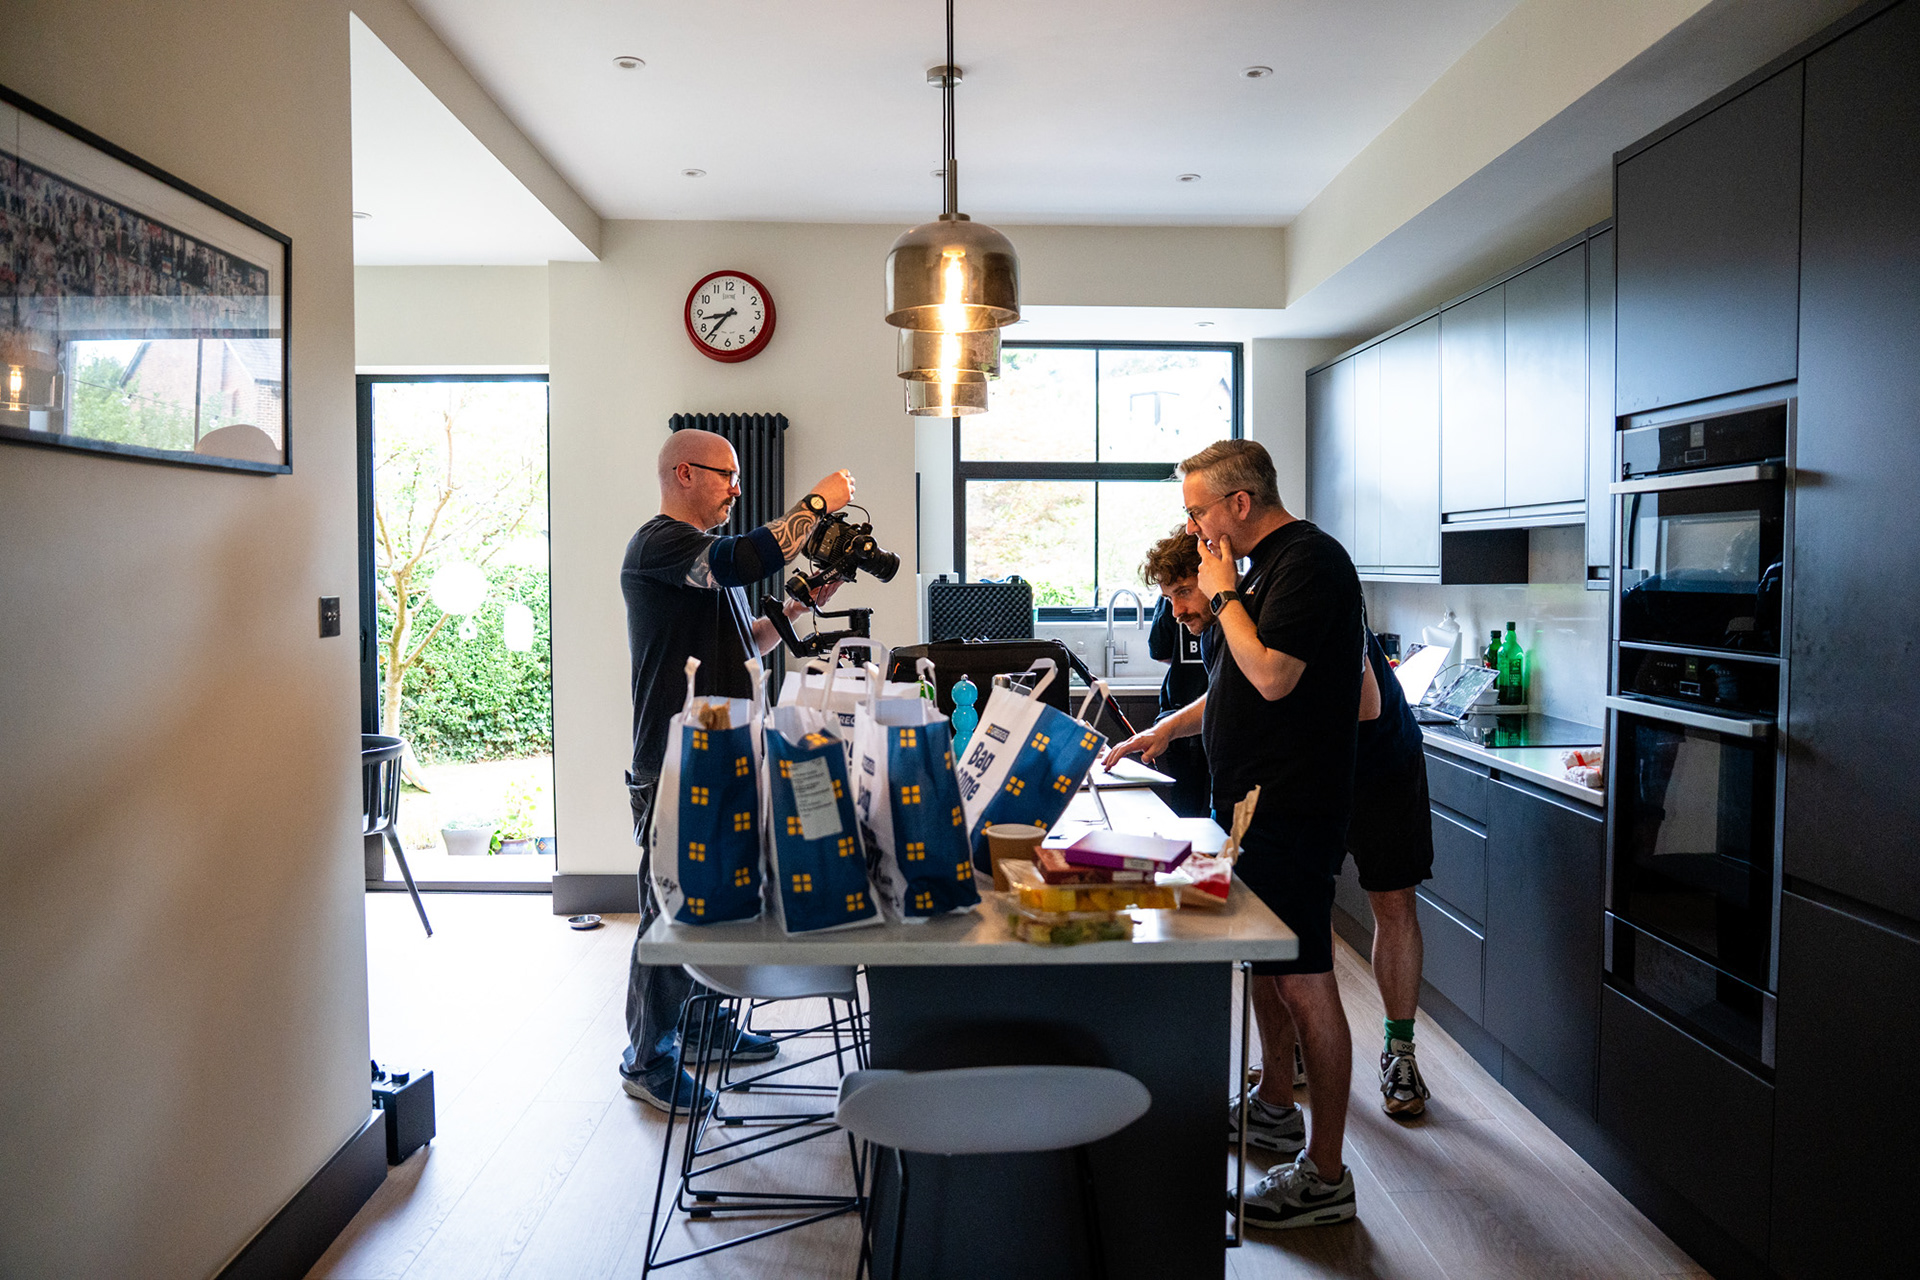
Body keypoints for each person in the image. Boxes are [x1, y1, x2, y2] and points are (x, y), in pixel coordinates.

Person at [1104, 439, 1363, 1229]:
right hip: (1252, 806)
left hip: (1294, 806)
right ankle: (1276, 1107)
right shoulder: (1261, 573)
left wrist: (1222, 598)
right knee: (1270, 970)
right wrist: (1167, 731)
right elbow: (1235, 686)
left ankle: (1326, 1176)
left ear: (1239, 503)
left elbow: (1275, 677)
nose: (1194, 526)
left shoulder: (1309, 562)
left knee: (1306, 978)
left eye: (1197, 511)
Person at [618, 428, 855, 1113]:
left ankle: (702, 1026)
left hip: (723, 751)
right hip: (673, 759)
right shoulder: (659, 543)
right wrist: (819, 501)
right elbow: (745, 558)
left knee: (716, 896)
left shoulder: (702, 561)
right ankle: (646, 1058)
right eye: (727, 475)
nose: (736, 489)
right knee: (668, 910)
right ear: (684, 474)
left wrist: (801, 603)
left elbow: (749, 641)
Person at [1242, 620, 1438, 1118]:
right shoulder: (1234, 620)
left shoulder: (1314, 596)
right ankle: (1299, 1049)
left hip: (1381, 767)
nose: (1179, 611)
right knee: (1308, 908)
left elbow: (1365, 705)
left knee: (1393, 905)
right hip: (1314, 772)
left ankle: (1399, 1053)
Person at [1140, 526, 1213, 818]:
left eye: (1184, 592)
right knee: (1190, 818)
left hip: (1190, 717)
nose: (1176, 612)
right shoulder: (1182, 609)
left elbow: (1160, 651)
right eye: (1169, 598)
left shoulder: (1230, 620)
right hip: (1181, 723)